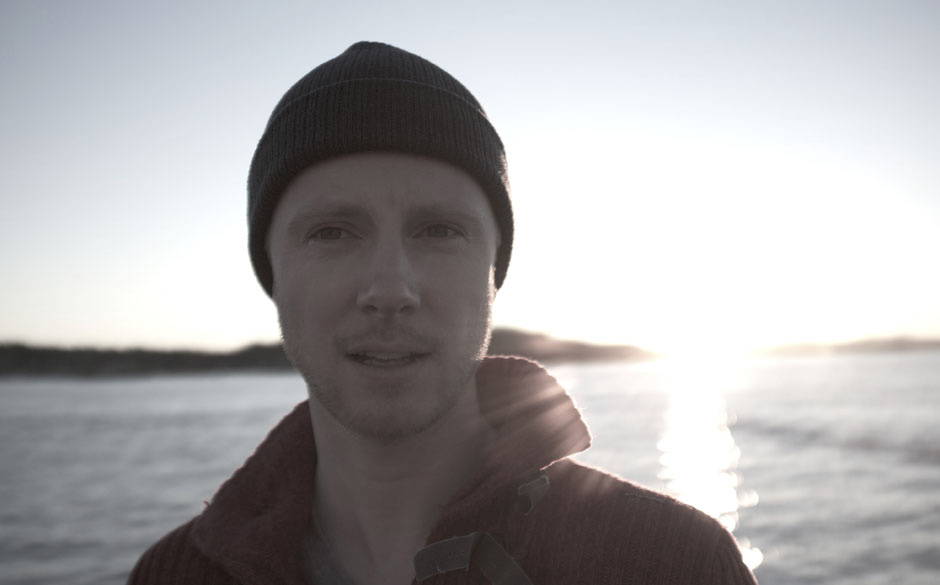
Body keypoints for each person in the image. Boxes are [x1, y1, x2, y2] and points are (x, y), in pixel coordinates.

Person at [128, 41, 758, 585]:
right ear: (272, 271)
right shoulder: (176, 574)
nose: (389, 289)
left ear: (493, 271)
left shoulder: (673, 563)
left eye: (439, 230)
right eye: (332, 232)